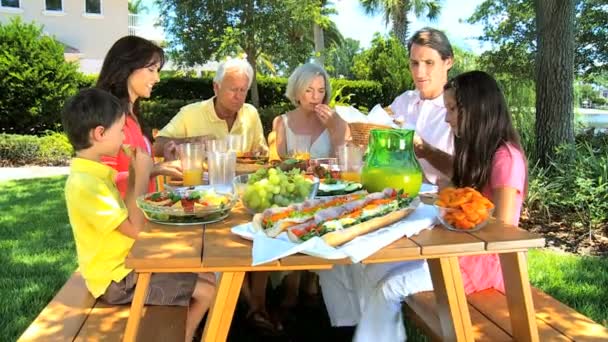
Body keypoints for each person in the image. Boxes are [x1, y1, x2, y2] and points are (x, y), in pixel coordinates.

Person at [353, 70, 528, 341]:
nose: (447, 118)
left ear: (476, 109)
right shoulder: (477, 150)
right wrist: (428, 157)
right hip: (457, 250)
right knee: (372, 268)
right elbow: (454, 180)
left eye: (452, 109)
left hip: (482, 265)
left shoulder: (507, 159)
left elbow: (503, 235)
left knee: (388, 288)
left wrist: (455, 206)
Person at [317, 27, 455, 338]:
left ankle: (371, 332)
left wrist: (423, 149)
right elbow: (370, 140)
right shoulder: (404, 102)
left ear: (448, 62)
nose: (419, 72)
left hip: (430, 207)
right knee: (336, 258)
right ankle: (349, 327)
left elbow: (462, 171)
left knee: (364, 259)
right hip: (389, 197)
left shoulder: (457, 108)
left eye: (428, 63)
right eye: (414, 63)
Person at [62, 88, 217, 342]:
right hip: (116, 280)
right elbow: (137, 229)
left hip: (126, 265)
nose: (125, 136)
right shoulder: (85, 185)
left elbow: (126, 214)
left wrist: (137, 173)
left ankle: (184, 333)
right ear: (99, 133)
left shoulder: (94, 174)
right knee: (208, 290)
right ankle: (186, 336)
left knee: (208, 275)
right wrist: (143, 175)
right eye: (121, 130)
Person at [97, 36, 182, 197]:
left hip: (143, 216)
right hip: (121, 219)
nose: (157, 78)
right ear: (127, 68)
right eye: (151, 70)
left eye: (157, 71)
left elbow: (140, 173)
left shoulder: (133, 116)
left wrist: (165, 165)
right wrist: (153, 170)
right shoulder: (107, 118)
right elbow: (101, 182)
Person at [153, 58, 268, 157]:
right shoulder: (191, 113)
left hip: (241, 182)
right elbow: (157, 146)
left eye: (243, 90)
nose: (238, 96)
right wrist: (194, 142)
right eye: (233, 89)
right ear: (216, 87)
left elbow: (261, 151)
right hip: (200, 181)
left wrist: (260, 153)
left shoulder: (250, 113)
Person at [273, 63, 350, 158]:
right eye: (308, 90)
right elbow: (277, 167)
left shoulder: (337, 119)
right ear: (296, 92)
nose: (316, 97)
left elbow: (344, 164)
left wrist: (335, 130)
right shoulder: (281, 123)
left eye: (321, 91)